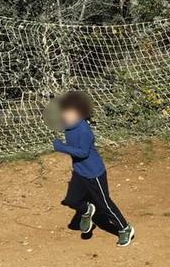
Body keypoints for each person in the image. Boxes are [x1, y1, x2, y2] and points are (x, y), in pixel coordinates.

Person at [52, 89, 134, 247]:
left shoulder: (83, 130)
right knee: (72, 200)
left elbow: (82, 152)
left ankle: (125, 228)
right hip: (80, 172)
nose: (64, 115)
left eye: (68, 112)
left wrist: (61, 147)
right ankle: (87, 209)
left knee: (104, 204)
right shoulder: (69, 127)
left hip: (93, 174)